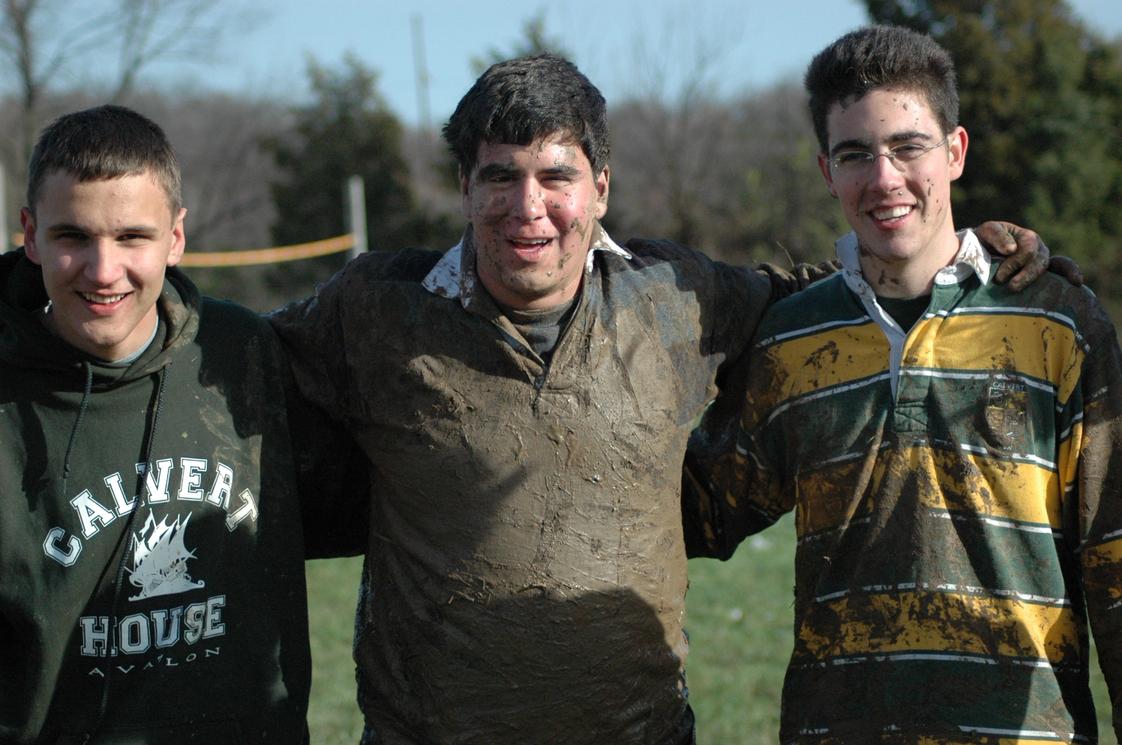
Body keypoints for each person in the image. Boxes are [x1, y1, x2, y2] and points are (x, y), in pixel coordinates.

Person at [270, 53, 1058, 744]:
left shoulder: (677, 298)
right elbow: (238, 365)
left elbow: (829, 296)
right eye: (500, 176)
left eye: (557, 176)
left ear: (601, 187)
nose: (528, 206)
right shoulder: (375, 308)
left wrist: (961, 246)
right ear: (464, 188)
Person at [687, 25, 1122, 743]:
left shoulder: (1059, 324)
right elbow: (701, 510)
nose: (884, 178)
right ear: (827, 171)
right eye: (856, 154)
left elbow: (1113, 554)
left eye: (907, 147)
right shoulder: (793, 340)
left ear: (954, 152)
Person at [0, 105, 359, 744]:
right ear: (30, 234)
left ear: (176, 237)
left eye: (133, 237)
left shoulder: (241, 356)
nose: (103, 270)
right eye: (73, 237)